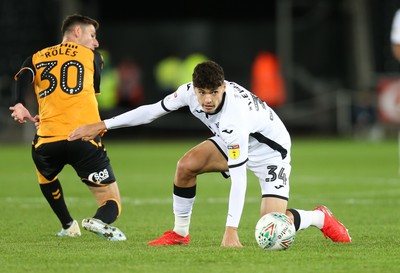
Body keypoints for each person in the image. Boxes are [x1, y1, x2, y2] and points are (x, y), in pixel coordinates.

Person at [68, 60, 351, 247]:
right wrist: (104, 124)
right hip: (233, 141)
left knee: (271, 231)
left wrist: (231, 230)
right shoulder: (189, 93)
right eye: (202, 92)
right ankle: (180, 234)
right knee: (185, 166)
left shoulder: (234, 117)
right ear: (194, 88)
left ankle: (320, 217)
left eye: (213, 92)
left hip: (270, 153)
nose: (206, 99)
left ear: (224, 87)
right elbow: (151, 111)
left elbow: (238, 178)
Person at [9, 14, 126, 241]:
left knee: (45, 177)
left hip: (47, 140)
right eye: (92, 35)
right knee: (111, 202)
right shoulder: (93, 57)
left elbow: (24, 76)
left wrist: (20, 104)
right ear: (77, 32)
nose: (96, 42)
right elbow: (86, 94)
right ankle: (100, 220)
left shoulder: (35, 57)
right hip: (83, 139)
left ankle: (68, 225)